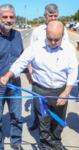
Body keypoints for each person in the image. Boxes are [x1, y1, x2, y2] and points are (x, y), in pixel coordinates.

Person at [0, 21, 78, 150]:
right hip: (40, 91)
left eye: (57, 40)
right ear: (45, 34)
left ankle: (56, 142)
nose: (53, 42)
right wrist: (8, 75)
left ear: (63, 35)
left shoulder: (68, 48)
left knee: (58, 120)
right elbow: (21, 62)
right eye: (49, 38)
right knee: (44, 121)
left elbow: (73, 71)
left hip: (61, 91)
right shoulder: (36, 46)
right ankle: (46, 145)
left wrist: (67, 92)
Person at [28, 4, 69, 131]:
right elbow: (30, 53)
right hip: (39, 76)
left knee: (56, 105)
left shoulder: (63, 30)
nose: (53, 18)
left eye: (55, 16)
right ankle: (37, 121)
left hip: (56, 75)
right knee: (38, 104)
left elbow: (67, 50)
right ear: (45, 16)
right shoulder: (37, 31)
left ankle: (53, 127)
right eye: (50, 16)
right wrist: (30, 72)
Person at [0, 4, 29, 150]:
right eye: (5, 17)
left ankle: (16, 143)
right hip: (0, 86)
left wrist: (29, 75)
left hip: (15, 84)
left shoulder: (17, 35)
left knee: (17, 116)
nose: (8, 20)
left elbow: (22, 58)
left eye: (11, 17)